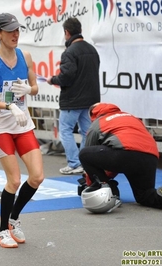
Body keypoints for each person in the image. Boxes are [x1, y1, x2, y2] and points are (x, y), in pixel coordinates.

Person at [0, 13, 45, 248]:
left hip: (22, 124)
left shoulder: (24, 55)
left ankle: (13, 219)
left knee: (37, 176)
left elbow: (35, 87)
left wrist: (29, 89)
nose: (15, 34)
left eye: (17, 30)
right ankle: (1, 231)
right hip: (2, 128)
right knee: (14, 180)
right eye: (10, 31)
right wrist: (8, 105)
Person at [78, 102, 162, 213]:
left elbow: (94, 159)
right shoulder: (131, 117)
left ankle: (107, 189)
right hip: (150, 156)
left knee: (84, 154)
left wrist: (94, 183)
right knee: (144, 195)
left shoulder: (97, 124)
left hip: (124, 154)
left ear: (93, 114)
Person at [46, 17, 100, 175]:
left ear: (66, 33)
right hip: (90, 101)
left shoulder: (69, 52)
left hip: (72, 100)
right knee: (87, 132)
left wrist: (53, 80)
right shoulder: (92, 49)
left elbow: (67, 77)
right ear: (80, 31)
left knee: (65, 130)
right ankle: (83, 162)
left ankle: (74, 163)